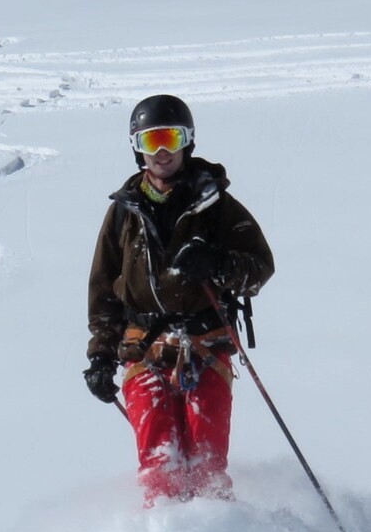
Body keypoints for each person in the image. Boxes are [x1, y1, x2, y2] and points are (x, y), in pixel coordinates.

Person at [84, 95, 275, 506]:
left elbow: (260, 266)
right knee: (159, 460)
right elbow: (103, 290)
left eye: (171, 138)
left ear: (188, 141)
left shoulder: (217, 206)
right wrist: (101, 355)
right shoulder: (124, 214)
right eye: (152, 141)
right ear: (137, 147)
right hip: (142, 347)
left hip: (207, 344)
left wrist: (218, 264)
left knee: (206, 461)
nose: (163, 152)